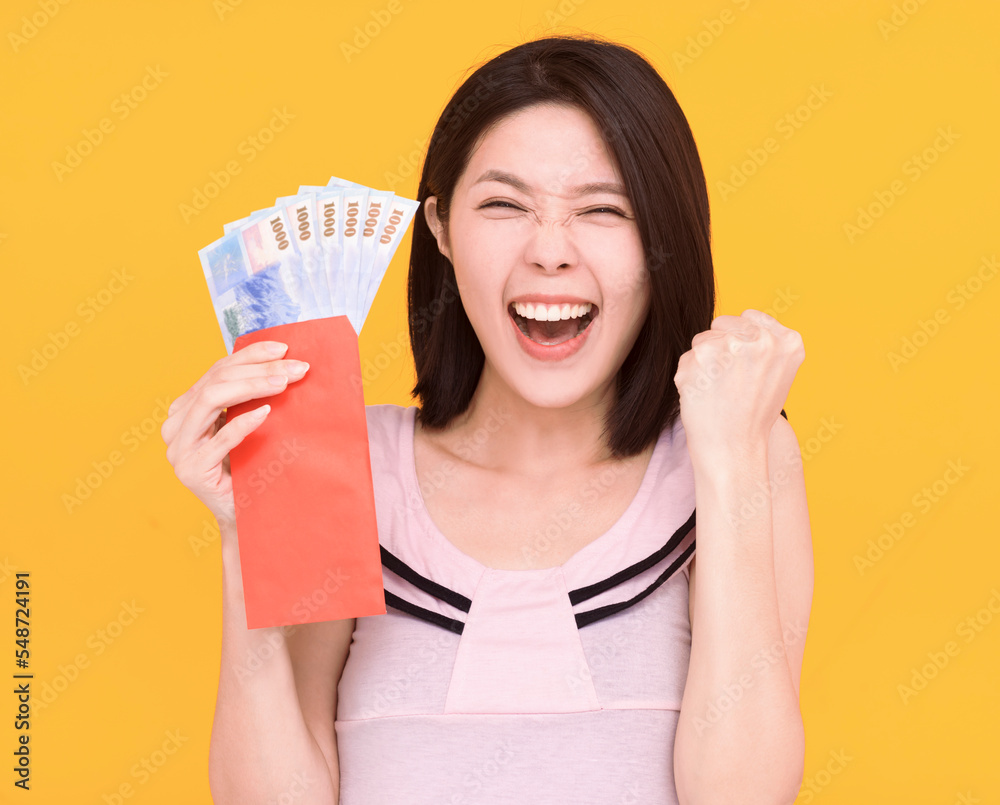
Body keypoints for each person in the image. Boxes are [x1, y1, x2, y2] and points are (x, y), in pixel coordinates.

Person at [162, 34, 813, 804]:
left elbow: (742, 797)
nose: (549, 252)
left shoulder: (734, 455)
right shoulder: (349, 464)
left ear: (662, 237)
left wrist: (733, 456)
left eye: (603, 209)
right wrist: (252, 538)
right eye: (504, 204)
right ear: (439, 228)